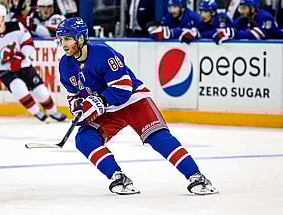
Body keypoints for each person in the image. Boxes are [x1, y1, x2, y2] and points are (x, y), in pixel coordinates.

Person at [56, 17, 219, 195]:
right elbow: (74, 96)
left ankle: (196, 176)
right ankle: (118, 177)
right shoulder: (65, 65)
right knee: (84, 139)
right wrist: (79, 107)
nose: (63, 44)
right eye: (61, 39)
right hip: (107, 110)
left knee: (157, 137)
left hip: (133, 100)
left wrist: (98, 102)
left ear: (80, 38)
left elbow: (123, 88)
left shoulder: (103, 53)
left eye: (67, 39)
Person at [0, 4, 66, 122]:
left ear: (3, 18)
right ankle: (37, 113)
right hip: (4, 70)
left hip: (23, 64)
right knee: (18, 88)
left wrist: (19, 58)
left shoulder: (16, 26)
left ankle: (53, 112)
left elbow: (29, 44)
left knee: (40, 91)